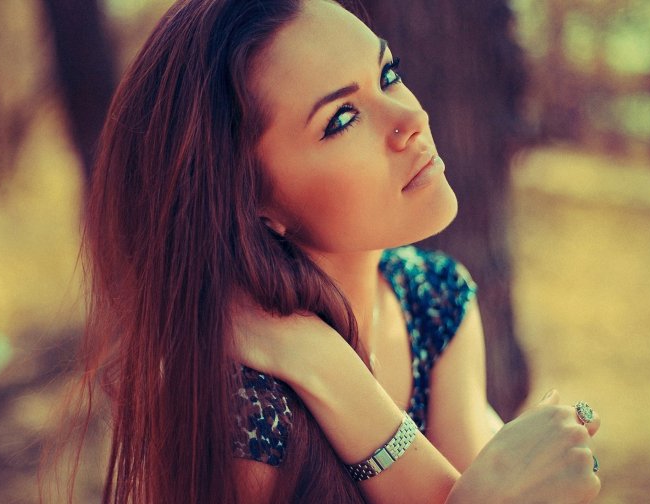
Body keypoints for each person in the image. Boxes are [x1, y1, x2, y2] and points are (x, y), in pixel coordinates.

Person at [75, 0, 602, 502]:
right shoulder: (244, 406)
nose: (409, 119)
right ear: (253, 202)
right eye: (342, 118)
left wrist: (325, 365)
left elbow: (466, 479)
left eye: (388, 74)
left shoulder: (432, 296)